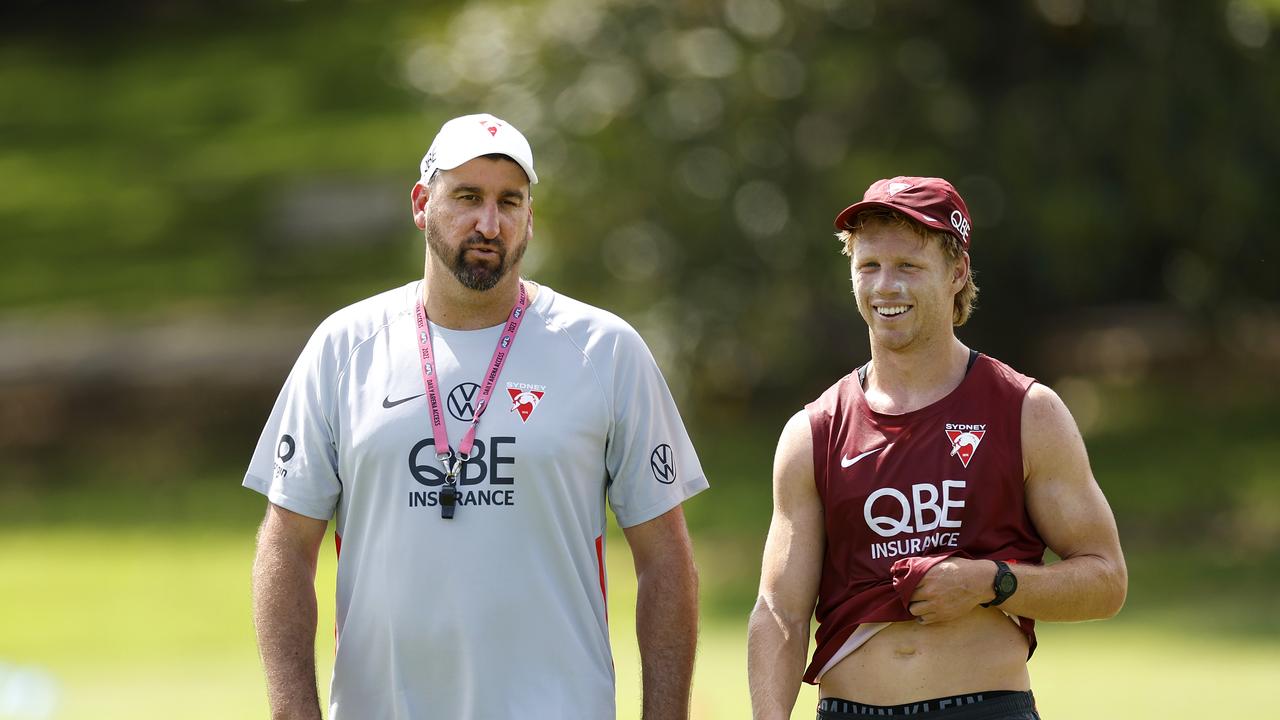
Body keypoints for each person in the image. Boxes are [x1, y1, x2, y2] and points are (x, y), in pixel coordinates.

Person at [245, 113, 708, 720]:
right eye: (467, 197)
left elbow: (666, 559)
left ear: (530, 219)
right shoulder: (345, 347)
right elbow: (286, 545)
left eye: (508, 201)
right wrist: (292, 712)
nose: (488, 223)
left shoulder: (605, 349)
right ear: (421, 203)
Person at [747, 177, 1127, 719]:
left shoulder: (1026, 410)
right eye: (869, 266)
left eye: (908, 266)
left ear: (957, 273)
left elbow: (1106, 580)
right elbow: (779, 611)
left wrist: (992, 582)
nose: (886, 287)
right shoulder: (813, 432)